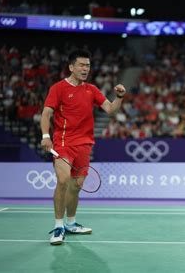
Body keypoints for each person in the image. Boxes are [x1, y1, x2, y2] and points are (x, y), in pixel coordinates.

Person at [40, 49, 126, 245]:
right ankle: (58, 226)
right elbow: (46, 114)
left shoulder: (91, 90)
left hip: (84, 144)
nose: (85, 68)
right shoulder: (58, 88)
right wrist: (46, 136)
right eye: (81, 65)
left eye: (87, 65)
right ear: (71, 67)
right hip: (63, 142)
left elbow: (110, 110)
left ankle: (71, 223)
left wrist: (119, 97)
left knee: (76, 186)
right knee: (63, 180)